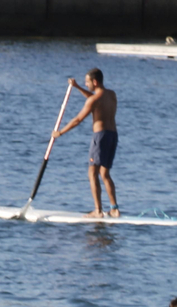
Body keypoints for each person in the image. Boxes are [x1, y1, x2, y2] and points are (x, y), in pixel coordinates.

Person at [51, 68, 119, 218]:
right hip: (113, 135)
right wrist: (77, 87)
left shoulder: (94, 100)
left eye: (87, 82)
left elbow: (77, 120)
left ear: (94, 82)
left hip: (100, 137)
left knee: (92, 173)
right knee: (104, 173)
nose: (86, 84)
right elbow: (94, 100)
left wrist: (60, 133)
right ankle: (114, 209)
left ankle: (98, 211)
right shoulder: (111, 95)